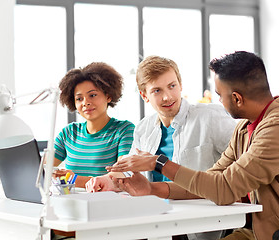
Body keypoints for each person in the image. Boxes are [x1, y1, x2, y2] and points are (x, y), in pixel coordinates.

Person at [87, 51, 279, 240]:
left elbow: (224, 189)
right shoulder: (246, 128)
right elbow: (210, 181)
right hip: (266, 230)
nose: (217, 101)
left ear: (237, 98)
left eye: (219, 95)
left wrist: (159, 163)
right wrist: (152, 187)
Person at [86, 55, 237, 240]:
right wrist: (105, 181)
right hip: (158, 222)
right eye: (157, 90)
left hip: (200, 225)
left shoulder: (211, 117)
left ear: (180, 85)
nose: (167, 96)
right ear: (144, 95)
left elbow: (241, 165)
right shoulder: (143, 128)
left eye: (172, 86)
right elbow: (128, 170)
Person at [52, 62, 135, 189]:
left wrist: (73, 179)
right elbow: (43, 168)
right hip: (71, 202)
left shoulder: (124, 130)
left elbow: (121, 175)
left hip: (105, 204)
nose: (86, 103)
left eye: (92, 95)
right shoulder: (68, 133)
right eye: (79, 99)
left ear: (108, 96)